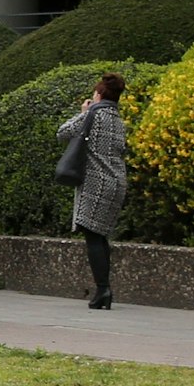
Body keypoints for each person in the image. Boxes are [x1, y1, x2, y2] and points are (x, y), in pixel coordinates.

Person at [58, 72, 129, 310]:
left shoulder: (93, 114)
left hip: (95, 182)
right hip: (117, 181)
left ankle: (103, 289)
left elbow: (63, 132)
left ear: (98, 94)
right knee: (101, 235)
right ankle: (104, 289)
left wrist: (84, 111)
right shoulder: (119, 120)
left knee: (92, 235)